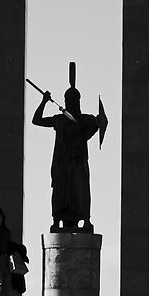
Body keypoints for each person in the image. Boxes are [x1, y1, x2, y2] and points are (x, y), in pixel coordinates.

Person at [32, 64, 107, 232]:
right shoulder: (60, 119)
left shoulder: (85, 119)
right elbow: (36, 120)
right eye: (69, 99)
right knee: (60, 192)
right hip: (62, 164)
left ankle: (85, 219)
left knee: (81, 191)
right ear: (65, 101)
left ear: (79, 101)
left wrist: (98, 121)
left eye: (74, 99)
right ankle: (57, 219)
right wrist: (44, 101)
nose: (71, 102)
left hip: (78, 164)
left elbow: (100, 122)